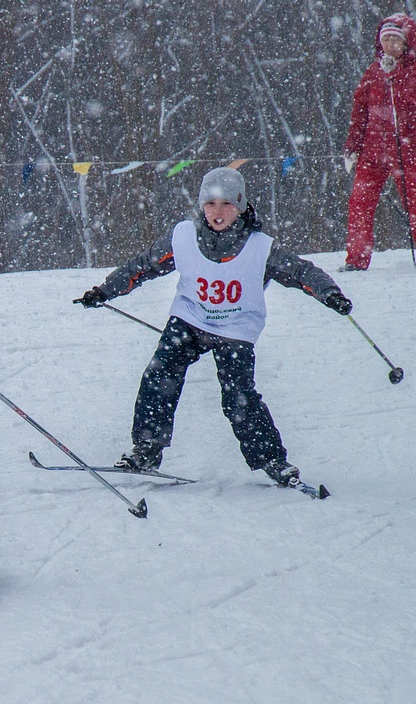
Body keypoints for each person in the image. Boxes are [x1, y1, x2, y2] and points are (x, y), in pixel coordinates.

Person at [75, 167, 353, 487]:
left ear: (241, 207)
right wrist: (104, 291)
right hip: (191, 318)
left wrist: (330, 294)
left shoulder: (260, 247)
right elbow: (143, 266)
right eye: (210, 204)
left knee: (238, 395)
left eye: (226, 205)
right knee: (160, 373)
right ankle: (146, 450)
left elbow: (302, 272)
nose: (217, 212)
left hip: (235, 327)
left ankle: (274, 461)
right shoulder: (182, 236)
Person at [342, 13, 416, 270]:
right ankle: (356, 260)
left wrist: (393, 79)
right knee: (359, 203)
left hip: (406, 149)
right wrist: (352, 147)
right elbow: (359, 111)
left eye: (395, 40)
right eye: (386, 40)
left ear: (406, 44)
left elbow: (410, 100)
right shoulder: (372, 71)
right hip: (372, 151)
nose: (389, 46)